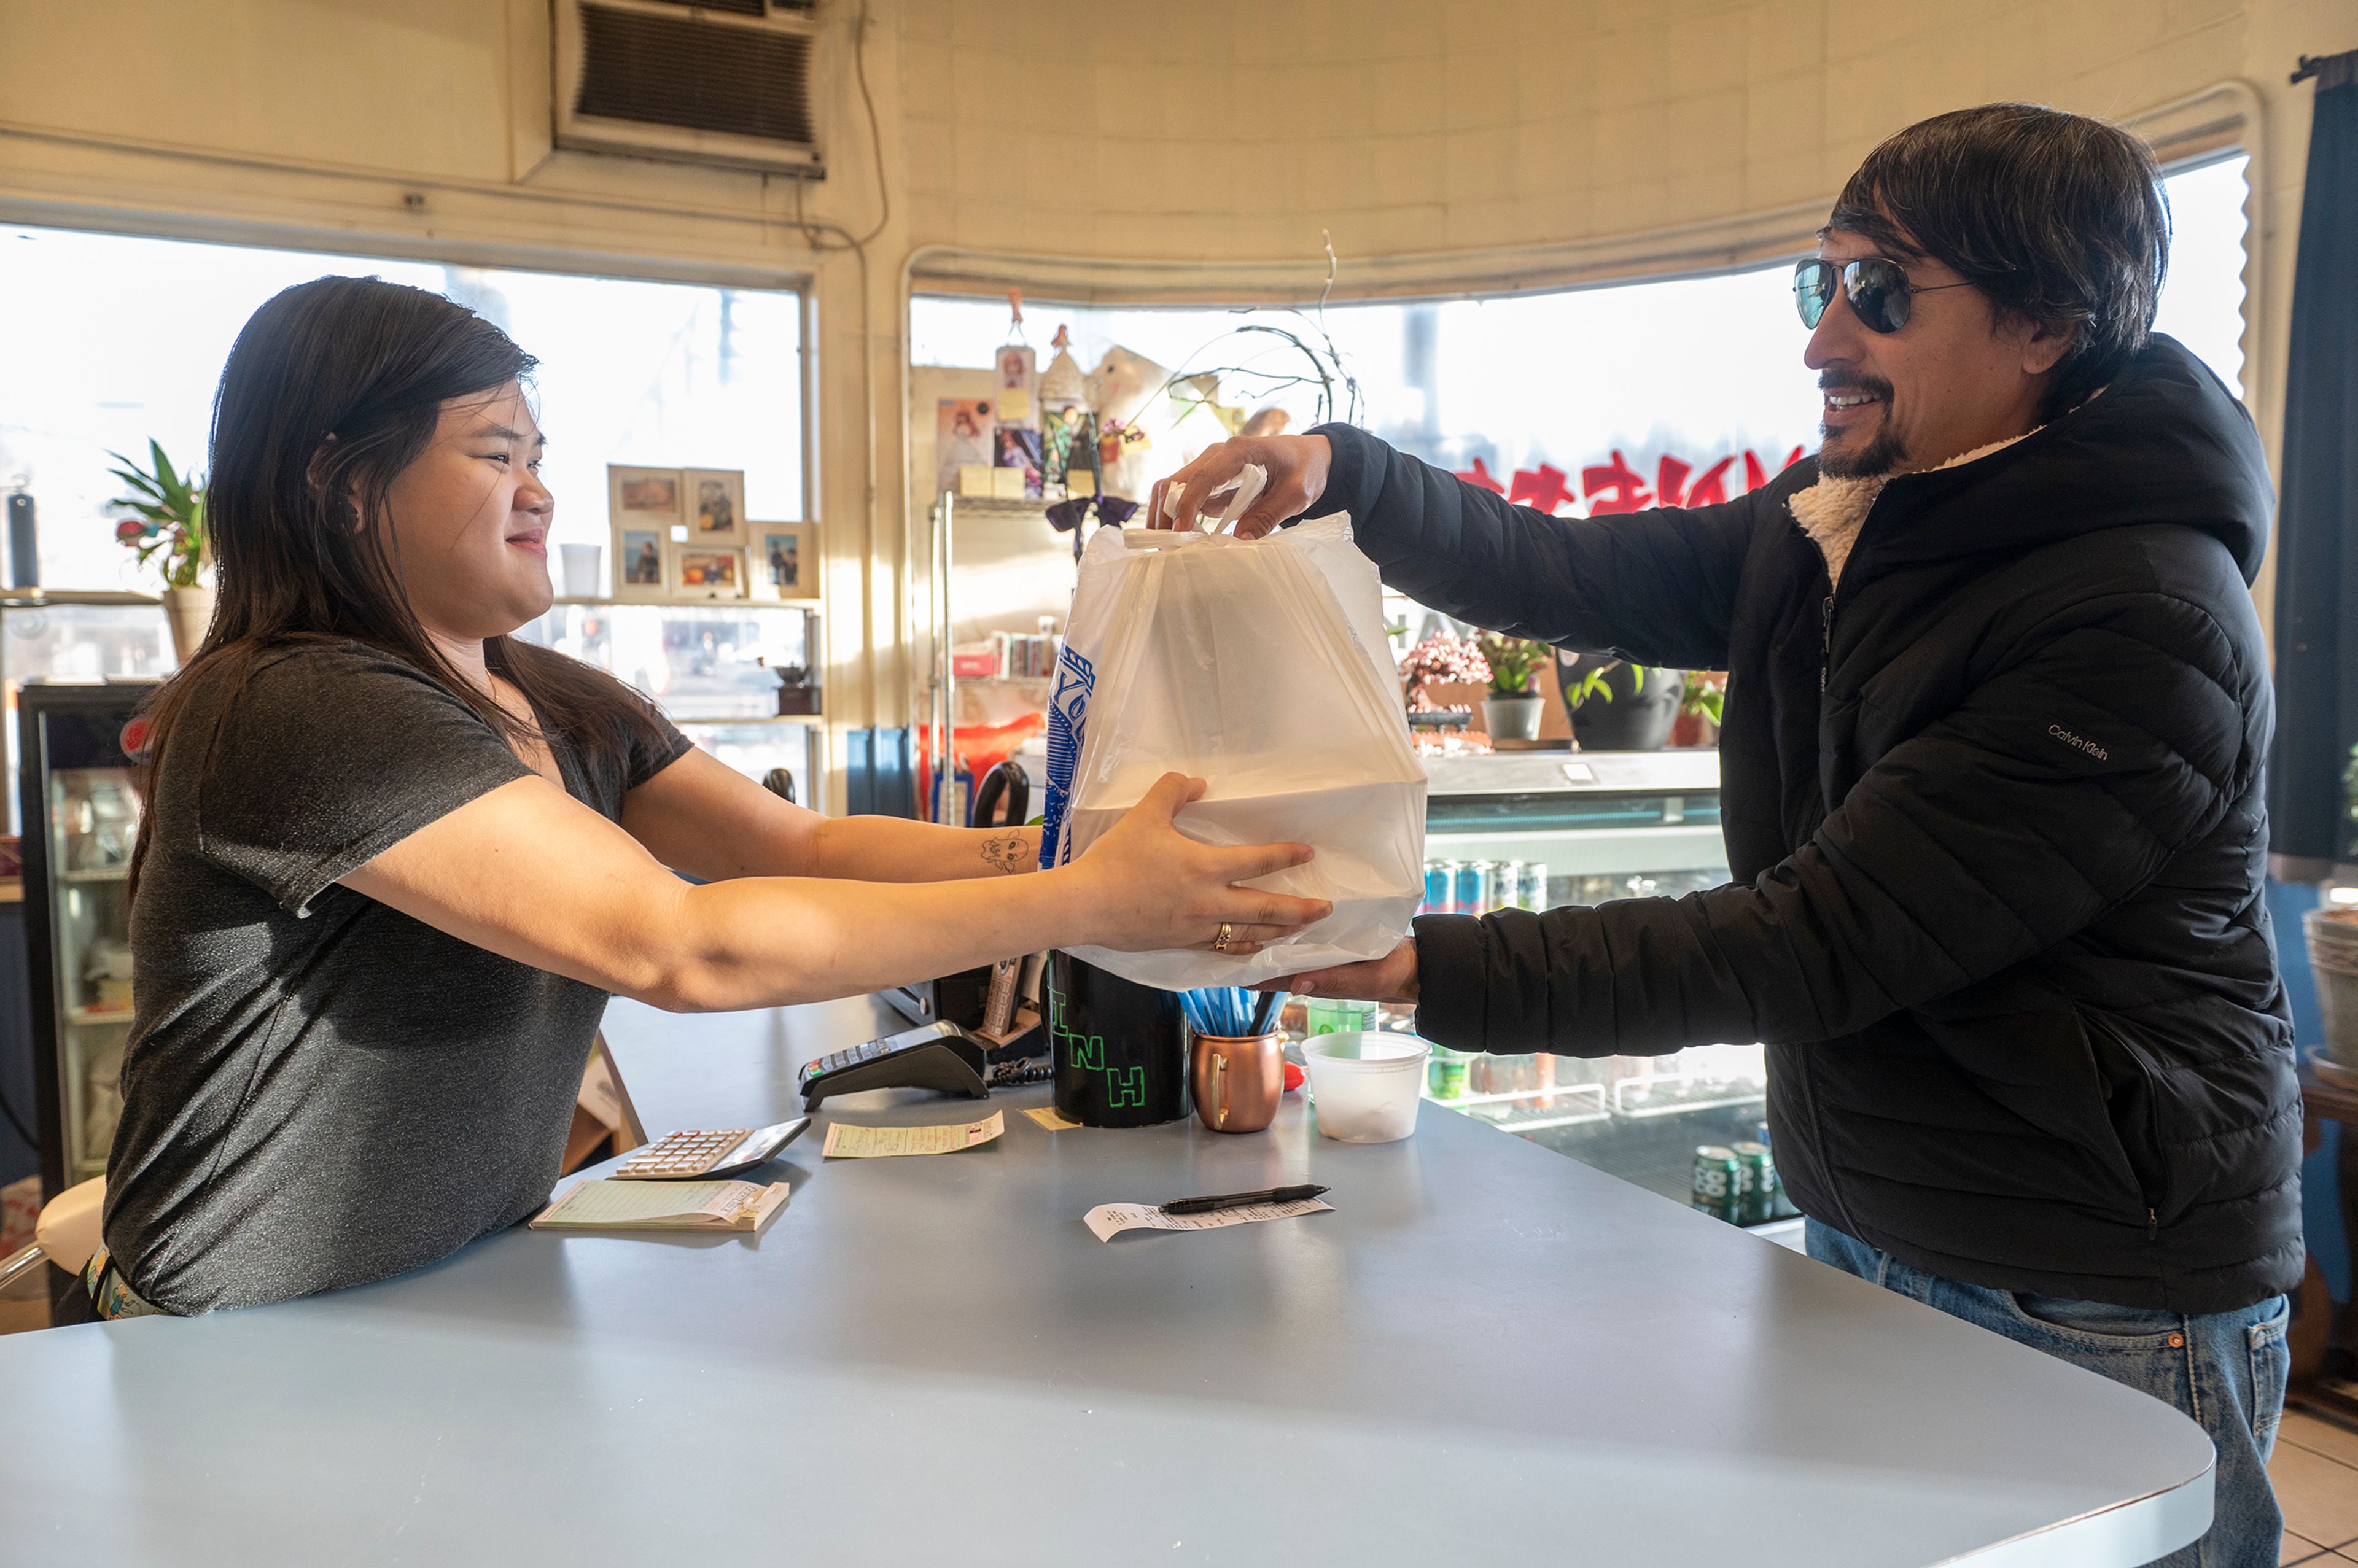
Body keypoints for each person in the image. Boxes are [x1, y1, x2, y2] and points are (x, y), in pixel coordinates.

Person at [1154, 104, 2298, 1566]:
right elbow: (1574, 567)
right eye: (1818, 283)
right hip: (1872, 1219)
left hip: (2090, 1279)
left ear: (2046, 325)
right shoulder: (1858, 517)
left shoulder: (2142, 614)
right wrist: (1349, 475)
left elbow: (1818, 941)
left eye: (1880, 293)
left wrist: (1401, 957)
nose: (1825, 340)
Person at [97, 276, 1329, 1319]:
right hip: (248, 1332)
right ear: (338, 481)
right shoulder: (297, 705)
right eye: (493, 454)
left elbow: (797, 844)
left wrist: (1075, 852)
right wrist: (1084, 898)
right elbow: (679, 941)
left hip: (454, 1291)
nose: (538, 493)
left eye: (538, 457)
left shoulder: (554, 696)